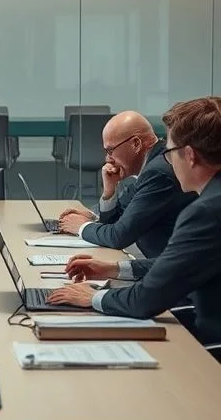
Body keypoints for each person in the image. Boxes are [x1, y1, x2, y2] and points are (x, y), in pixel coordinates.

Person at [48, 96, 221, 345]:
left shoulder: (206, 211)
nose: (168, 160)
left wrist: (93, 297)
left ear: (190, 156)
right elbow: (181, 262)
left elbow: (148, 299)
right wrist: (115, 269)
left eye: (170, 152)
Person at [58, 111, 195, 257]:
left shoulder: (157, 173)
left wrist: (81, 227)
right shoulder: (152, 163)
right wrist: (108, 193)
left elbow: (118, 236)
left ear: (136, 144)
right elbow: (117, 218)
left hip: (169, 272)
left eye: (110, 150)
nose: (108, 159)